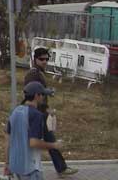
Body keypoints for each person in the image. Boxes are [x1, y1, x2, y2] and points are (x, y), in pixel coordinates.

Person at [23, 48, 78, 177]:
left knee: (47, 138)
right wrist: (45, 95)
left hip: (41, 112)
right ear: (35, 59)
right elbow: (31, 94)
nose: (45, 61)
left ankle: (61, 168)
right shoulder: (33, 73)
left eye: (47, 59)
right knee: (35, 142)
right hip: (35, 114)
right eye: (42, 59)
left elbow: (39, 94)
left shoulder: (39, 72)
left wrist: (47, 107)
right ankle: (59, 168)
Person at [4, 81, 61, 180]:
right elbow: (33, 143)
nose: (43, 97)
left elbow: (8, 140)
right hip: (30, 169)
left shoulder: (15, 111)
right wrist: (54, 145)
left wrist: (7, 163)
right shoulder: (36, 115)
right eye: (42, 94)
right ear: (36, 96)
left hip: (15, 166)